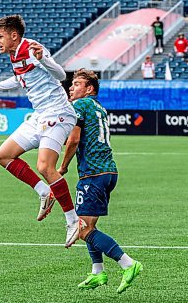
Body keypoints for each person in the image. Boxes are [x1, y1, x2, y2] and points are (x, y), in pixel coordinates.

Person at [0, 14, 80, 247]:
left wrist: (43, 59)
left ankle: (73, 220)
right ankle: (44, 192)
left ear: (14, 35)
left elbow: (60, 75)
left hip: (58, 113)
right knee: (3, 155)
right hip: (40, 115)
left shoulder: (32, 48)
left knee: (45, 166)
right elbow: (20, 80)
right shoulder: (15, 55)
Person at [58, 68, 143, 294]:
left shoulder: (80, 105)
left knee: (82, 229)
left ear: (89, 89)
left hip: (93, 174)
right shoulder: (100, 108)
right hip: (108, 172)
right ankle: (97, 272)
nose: (71, 87)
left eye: (76, 84)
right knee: (89, 225)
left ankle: (128, 263)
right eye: (72, 83)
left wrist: (63, 166)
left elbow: (74, 139)